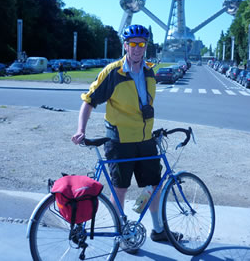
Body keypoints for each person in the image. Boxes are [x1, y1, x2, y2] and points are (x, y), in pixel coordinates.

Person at [71, 24, 180, 253]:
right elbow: (88, 100)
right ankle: (122, 234)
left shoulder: (150, 72)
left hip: (145, 140)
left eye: (141, 44)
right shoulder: (113, 72)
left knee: (153, 185)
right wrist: (81, 129)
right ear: (125, 46)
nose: (137, 48)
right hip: (119, 142)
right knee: (120, 189)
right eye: (133, 44)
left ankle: (158, 230)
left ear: (146, 46)